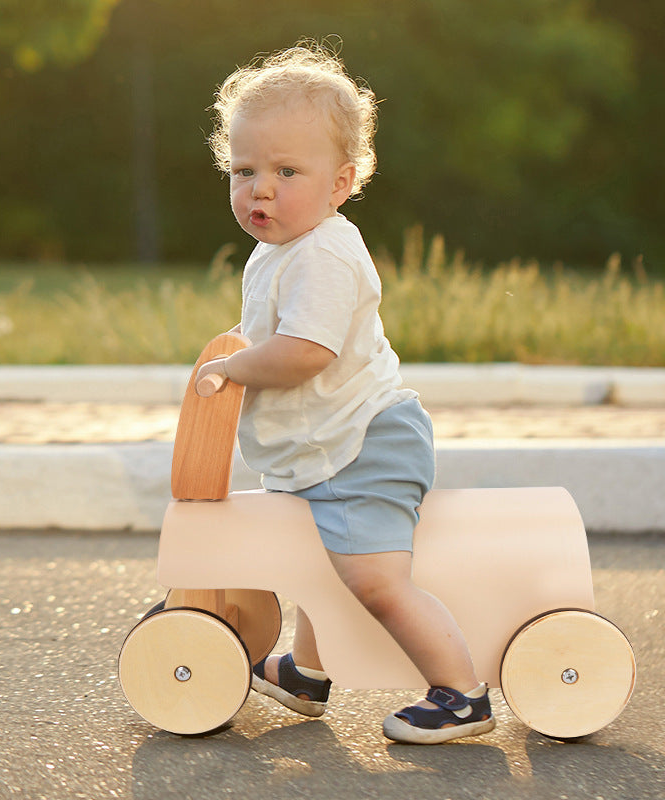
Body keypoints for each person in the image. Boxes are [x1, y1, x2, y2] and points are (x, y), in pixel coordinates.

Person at [195, 42, 495, 744]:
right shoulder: (279, 250)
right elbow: (277, 324)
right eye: (244, 171)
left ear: (341, 182)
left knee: (372, 580)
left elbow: (304, 351)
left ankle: (460, 693)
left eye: (286, 171)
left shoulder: (327, 250)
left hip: (363, 446)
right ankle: (305, 672)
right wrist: (241, 341)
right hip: (325, 445)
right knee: (315, 566)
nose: (260, 188)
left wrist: (233, 368)